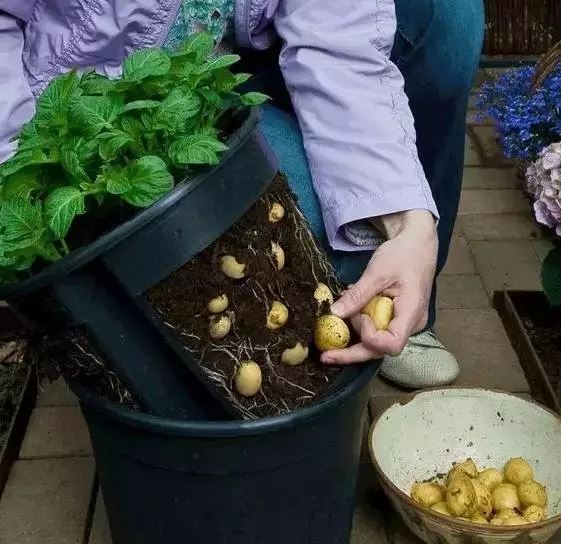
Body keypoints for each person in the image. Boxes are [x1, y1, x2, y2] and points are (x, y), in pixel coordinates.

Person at [0, 0, 484, 389]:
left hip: (224, 66)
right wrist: (23, 170)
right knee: (280, 229)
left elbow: (340, 44)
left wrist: (406, 220)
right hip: (91, 100)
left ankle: (403, 302)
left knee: (445, 13)